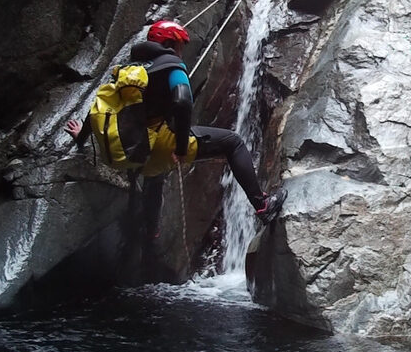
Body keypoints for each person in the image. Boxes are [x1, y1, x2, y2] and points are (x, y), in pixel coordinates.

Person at [66, 20, 287, 224]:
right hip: (160, 145)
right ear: (171, 43)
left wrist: (81, 138)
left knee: (155, 174)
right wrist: (181, 147)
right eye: (181, 45)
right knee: (233, 143)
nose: (182, 51)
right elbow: (182, 101)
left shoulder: (128, 71)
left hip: (134, 152)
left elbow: (101, 106)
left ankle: (151, 232)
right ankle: (262, 205)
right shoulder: (171, 63)